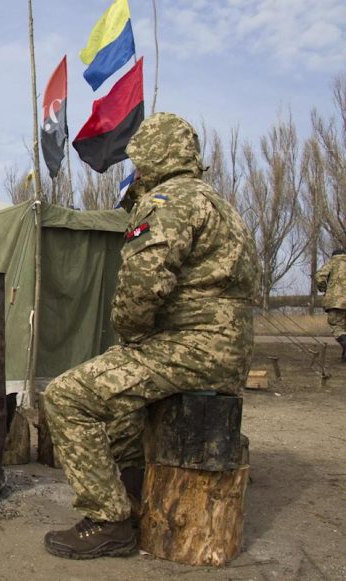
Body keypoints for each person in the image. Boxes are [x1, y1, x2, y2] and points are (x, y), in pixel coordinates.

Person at [42, 113, 260, 560]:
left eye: (139, 159)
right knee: (121, 409)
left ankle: (108, 519)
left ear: (153, 156)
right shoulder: (218, 203)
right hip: (223, 349)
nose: (135, 169)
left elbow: (142, 286)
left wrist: (131, 334)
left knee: (65, 397)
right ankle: (136, 494)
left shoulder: (168, 200)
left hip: (190, 347)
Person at [315, 249, 346, 361]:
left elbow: (320, 277)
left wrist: (324, 289)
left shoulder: (332, 263)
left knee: (337, 327)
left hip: (336, 302)